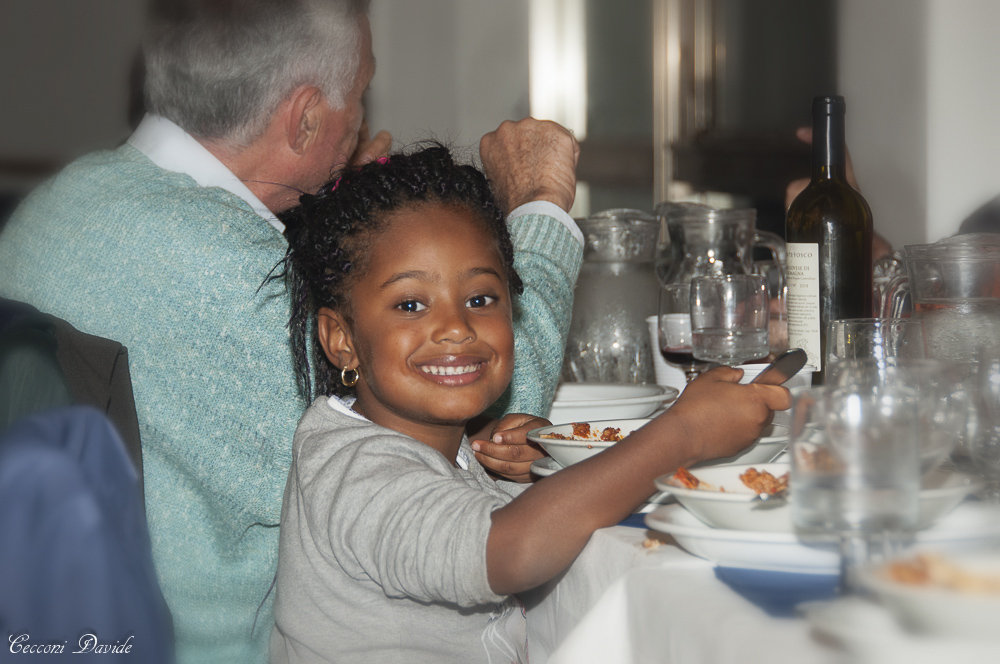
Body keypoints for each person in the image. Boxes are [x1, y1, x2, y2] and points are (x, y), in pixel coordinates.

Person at [0, 1, 581, 662]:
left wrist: (356, 232)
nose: (363, 117)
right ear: (306, 119)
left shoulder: (58, 207)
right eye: (360, 96)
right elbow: (476, 415)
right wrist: (540, 206)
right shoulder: (239, 275)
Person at [268, 144, 791, 663]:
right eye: (410, 304)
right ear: (341, 340)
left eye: (480, 299)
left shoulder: (441, 445)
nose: (456, 326)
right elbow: (507, 552)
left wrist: (530, 473)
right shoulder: (352, 469)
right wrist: (684, 434)